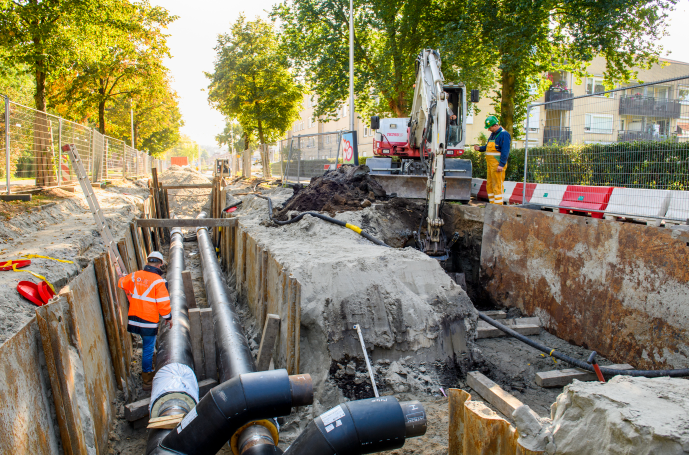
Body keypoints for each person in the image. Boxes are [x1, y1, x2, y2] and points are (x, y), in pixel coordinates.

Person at [117, 251, 172, 391]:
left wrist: (124, 277)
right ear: (160, 264)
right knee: (147, 348)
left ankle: (150, 366)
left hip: (134, 319)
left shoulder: (135, 275)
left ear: (147, 262)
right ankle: (147, 380)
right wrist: (168, 318)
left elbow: (121, 283)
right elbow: (163, 303)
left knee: (147, 345)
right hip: (148, 321)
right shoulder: (160, 281)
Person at [473, 115, 511, 205]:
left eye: (489, 128)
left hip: (497, 165)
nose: (488, 130)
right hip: (490, 165)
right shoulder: (493, 134)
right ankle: (492, 204)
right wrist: (480, 148)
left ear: (495, 125)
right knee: (489, 185)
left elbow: (505, 151)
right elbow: (487, 147)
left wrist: (501, 165)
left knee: (497, 185)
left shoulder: (504, 134)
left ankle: (498, 206)